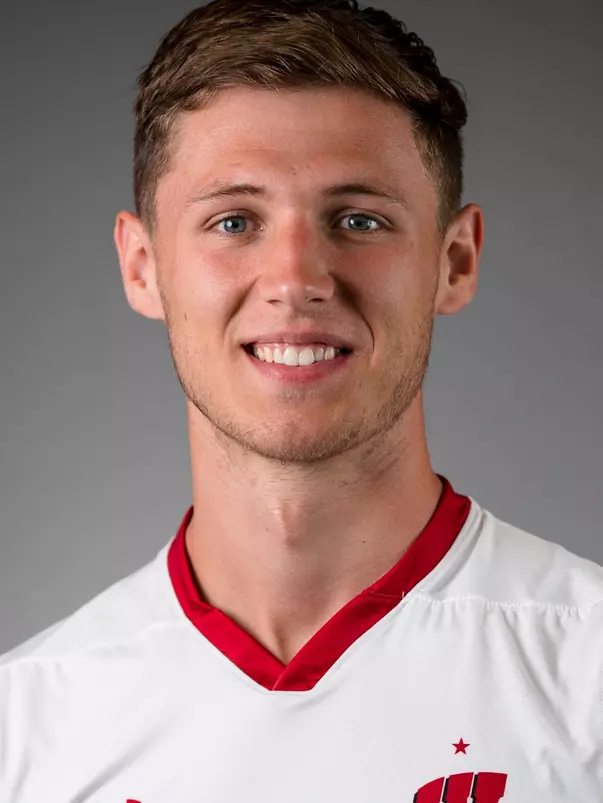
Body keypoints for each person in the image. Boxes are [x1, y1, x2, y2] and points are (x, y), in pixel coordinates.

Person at [1, 0, 601, 800]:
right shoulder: (27, 726)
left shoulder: (584, 674)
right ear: (142, 265)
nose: (295, 279)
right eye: (233, 220)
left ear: (453, 261)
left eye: (358, 219)